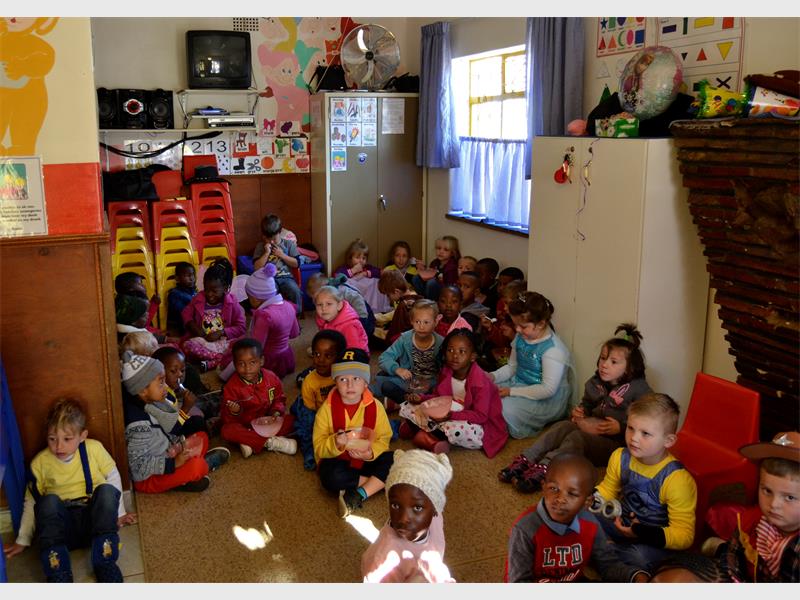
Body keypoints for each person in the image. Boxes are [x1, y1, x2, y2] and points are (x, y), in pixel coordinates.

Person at [500, 323, 652, 493]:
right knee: (563, 426)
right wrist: (580, 412)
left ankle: (547, 468)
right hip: (592, 430)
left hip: (615, 444)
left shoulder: (639, 389)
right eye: (603, 358)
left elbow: (648, 421)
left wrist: (621, 427)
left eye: (613, 362)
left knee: (577, 437)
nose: (604, 365)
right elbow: (587, 404)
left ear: (630, 368)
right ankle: (527, 458)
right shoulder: (596, 382)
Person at [2, 397, 137, 583]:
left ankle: (105, 563)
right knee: (47, 502)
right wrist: (22, 539)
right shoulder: (40, 463)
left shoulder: (94, 449)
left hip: (93, 525)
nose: (59, 446)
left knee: (106, 490)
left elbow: (113, 476)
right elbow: (31, 502)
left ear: (82, 436)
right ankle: (59, 574)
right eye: (52, 439)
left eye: (67, 439)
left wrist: (119, 514)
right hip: (61, 531)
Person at [658, 431, 800, 583]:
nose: (773, 504)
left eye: (789, 497)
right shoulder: (751, 521)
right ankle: (721, 548)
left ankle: (719, 547)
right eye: (767, 491)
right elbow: (733, 559)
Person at [504, 453, 649, 583]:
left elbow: (608, 565)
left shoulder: (590, 523)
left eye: (572, 494)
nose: (560, 499)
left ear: (588, 501)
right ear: (543, 486)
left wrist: (636, 576)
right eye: (553, 488)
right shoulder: (524, 529)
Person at [593, 393, 697, 573]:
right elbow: (607, 490)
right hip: (621, 523)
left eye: (645, 433)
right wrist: (591, 498)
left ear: (668, 441)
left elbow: (684, 535)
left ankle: (604, 552)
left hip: (651, 541)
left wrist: (641, 532)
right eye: (630, 428)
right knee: (584, 514)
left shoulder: (678, 480)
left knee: (638, 557)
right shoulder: (619, 456)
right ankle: (609, 552)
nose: (634, 438)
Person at [120, 351, 230, 494]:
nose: (166, 387)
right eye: (161, 382)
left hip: (166, 453)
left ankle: (184, 478)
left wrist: (178, 446)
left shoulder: (148, 402)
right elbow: (137, 467)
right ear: (142, 390)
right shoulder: (138, 426)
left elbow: (163, 434)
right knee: (198, 466)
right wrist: (174, 463)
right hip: (150, 478)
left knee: (201, 437)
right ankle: (203, 465)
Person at [312, 348, 394, 518]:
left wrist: (370, 453)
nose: (350, 385)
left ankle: (359, 494)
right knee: (330, 477)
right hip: (339, 461)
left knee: (396, 458)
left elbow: (384, 438)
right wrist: (336, 443)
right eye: (343, 379)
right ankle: (378, 483)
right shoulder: (326, 410)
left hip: (366, 459)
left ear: (366, 383)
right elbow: (319, 447)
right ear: (335, 382)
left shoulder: (376, 407)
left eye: (356, 378)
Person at [401, 328, 508, 457]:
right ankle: (429, 435)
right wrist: (422, 398)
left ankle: (425, 433)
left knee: (456, 429)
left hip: (476, 422)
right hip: (449, 411)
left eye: (462, 351)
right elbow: (439, 397)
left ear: (472, 356)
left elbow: (481, 416)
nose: (455, 356)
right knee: (409, 405)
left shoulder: (481, 382)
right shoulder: (446, 371)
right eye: (450, 350)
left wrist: (451, 416)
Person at [489, 291, 575, 439]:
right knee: (486, 391)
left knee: (505, 408)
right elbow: (512, 367)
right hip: (517, 383)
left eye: (523, 326)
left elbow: (547, 389)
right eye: (515, 325)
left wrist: (511, 392)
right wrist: (492, 376)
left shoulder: (553, 350)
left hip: (543, 398)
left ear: (541, 324)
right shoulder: (520, 337)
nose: (517, 330)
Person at [361, 449, 455, 583]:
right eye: (396, 505)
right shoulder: (384, 562)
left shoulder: (436, 520)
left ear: (435, 509)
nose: (403, 518)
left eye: (417, 508)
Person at [221, 262, 300, 381]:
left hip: (269, 361)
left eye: (249, 297)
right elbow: (294, 333)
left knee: (236, 356)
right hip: (285, 356)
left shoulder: (265, 316)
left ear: (255, 298)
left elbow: (255, 346)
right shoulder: (289, 306)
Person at [221, 338, 297, 458]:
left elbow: (279, 399)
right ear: (234, 364)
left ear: (261, 361)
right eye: (241, 364)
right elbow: (227, 419)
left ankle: (249, 442)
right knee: (227, 431)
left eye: (252, 362)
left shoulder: (271, 378)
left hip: (268, 422)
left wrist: (276, 412)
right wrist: (235, 411)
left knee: (294, 420)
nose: (247, 369)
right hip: (245, 425)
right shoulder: (231, 387)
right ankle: (270, 442)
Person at [372, 299, 444, 413]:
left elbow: (446, 369)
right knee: (384, 384)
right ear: (411, 321)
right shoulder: (405, 339)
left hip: (430, 383)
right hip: (410, 381)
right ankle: (408, 402)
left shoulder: (441, 342)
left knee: (440, 393)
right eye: (417, 322)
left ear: (436, 321)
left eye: (426, 322)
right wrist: (397, 369)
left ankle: (403, 403)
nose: (421, 326)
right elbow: (384, 358)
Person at [290, 330, 347, 470]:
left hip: (339, 410)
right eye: (317, 354)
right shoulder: (309, 381)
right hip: (315, 412)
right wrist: (311, 450)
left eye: (328, 355)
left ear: (339, 357)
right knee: (303, 427)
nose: (320, 360)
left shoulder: (345, 375)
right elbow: (308, 417)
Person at [181, 258, 246, 371]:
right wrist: (194, 327)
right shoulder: (198, 298)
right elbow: (186, 313)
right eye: (206, 290)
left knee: (242, 347)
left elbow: (241, 327)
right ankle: (220, 359)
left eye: (214, 291)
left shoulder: (232, 302)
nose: (209, 294)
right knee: (187, 346)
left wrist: (222, 332)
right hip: (204, 341)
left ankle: (213, 361)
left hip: (225, 342)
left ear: (225, 288)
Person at [252, 213, 304, 317]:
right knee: (268, 292)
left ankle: (295, 315)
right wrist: (266, 253)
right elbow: (256, 267)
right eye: (268, 239)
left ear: (280, 232)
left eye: (274, 239)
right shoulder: (260, 246)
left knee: (294, 290)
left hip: (286, 277)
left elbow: (297, 264)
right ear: (263, 236)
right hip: (267, 279)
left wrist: (282, 255)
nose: (271, 242)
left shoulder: (288, 244)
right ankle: (272, 316)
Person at [151, 346, 207, 435]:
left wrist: (177, 395)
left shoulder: (165, 389)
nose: (180, 374)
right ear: (157, 372)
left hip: (174, 419)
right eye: (173, 371)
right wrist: (185, 408)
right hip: (169, 434)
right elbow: (171, 428)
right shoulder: (159, 398)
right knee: (198, 422)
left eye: (183, 370)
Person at [308, 272, 374, 339]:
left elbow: (358, 300)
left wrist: (362, 318)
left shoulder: (342, 291)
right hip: (347, 315)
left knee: (359, 334)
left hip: (364, 316)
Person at [314, 285, 369, 353]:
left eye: (329, 304)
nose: (323, 308)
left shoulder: (349, 325)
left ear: (339, 305)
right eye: (319, 305)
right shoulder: (322, 319)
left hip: (354, 354)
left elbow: (353, 349)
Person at [377, 270, 422, 345]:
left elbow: (397, 330)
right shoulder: (415, 296)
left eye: (388, 295)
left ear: (396, 292)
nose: (388, 298)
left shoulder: (403, 305)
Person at [413, 235, 460, 300]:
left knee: (432, 283)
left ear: (452, 253)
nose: (441, 252)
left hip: (443, 292)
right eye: (439, 248)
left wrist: (436, 279)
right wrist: (423, 270)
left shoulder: (452, 267)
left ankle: (430, 303)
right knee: (416, 278)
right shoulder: (435, 262)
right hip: (430, 288)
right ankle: (422, 299)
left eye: (446, 250)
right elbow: (428, 276)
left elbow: (449, 287)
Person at [114, 271, 160, 336]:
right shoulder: (130, 303)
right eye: (140, 283)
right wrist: (154, 305)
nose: (143, 286)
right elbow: (144, 323)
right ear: (130, 288)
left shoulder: (136, 298)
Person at [166, 262, 197, 335]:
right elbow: (183, 313)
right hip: (182, 327)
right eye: (187, 275)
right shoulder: (174, 294)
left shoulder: (194, 292)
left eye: (192, 274)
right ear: (177, 278)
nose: (191, 278)